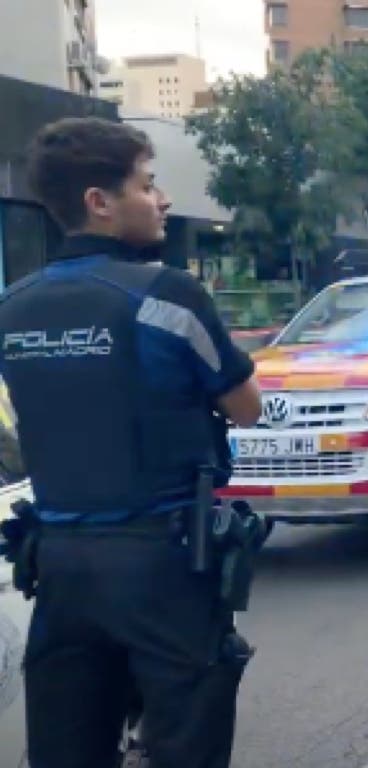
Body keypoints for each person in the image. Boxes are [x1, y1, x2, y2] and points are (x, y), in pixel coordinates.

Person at [0, 117, 263, 768]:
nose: (163, 200)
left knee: (66, 749)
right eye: (148, 185)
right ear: (100, 202)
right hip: (159, 565)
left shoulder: (13, 306)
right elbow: (247, 407)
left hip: (57, 567)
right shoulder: (166, 294)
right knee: (185, 742)